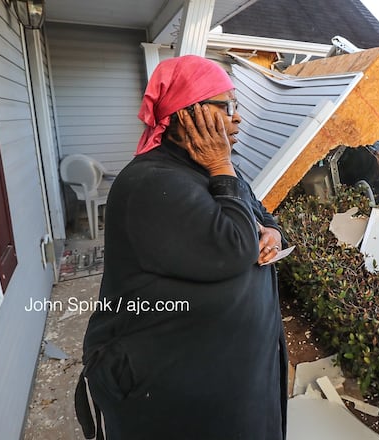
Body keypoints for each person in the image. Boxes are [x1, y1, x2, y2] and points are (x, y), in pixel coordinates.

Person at [76, 55, 288, 440]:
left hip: (230, 382)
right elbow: (232, 248)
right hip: (170, 394)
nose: (238, 118)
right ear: (186, 115)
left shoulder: (210, 169)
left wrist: (272, 232)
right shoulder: (150, 183)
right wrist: (222, 166)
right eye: (227, 107)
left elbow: (259, 212)